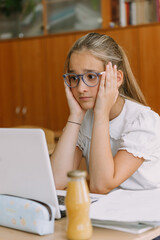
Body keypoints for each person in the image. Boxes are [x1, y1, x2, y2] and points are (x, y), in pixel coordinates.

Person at [51, 32, 160, 194]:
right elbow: (56, 182)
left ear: (116, 78)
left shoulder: (142, 121)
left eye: (91, 76)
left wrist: (101, 113)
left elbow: (100, 185)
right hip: (107, 212)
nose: (81, 88)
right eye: (74, 78)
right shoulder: (85, 118)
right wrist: (75, 116)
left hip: (144, 215)